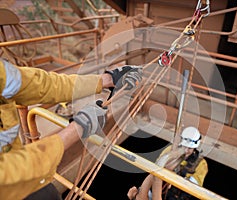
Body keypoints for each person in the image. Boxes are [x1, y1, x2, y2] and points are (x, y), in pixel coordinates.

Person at [0, 58, 142, 200]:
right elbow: (6, 172)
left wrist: (106, 80)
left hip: (31, 179)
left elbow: (39, 84)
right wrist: (79, 127)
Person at [127, 126, 208, 200]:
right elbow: (155, 170)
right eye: (185, 147)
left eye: (190, 148)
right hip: (161, 187)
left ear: (195, 147)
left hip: (176, 195)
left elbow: (193, 187)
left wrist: (173, 178)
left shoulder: (201, 163)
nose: (186, 150)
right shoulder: (170, 151)